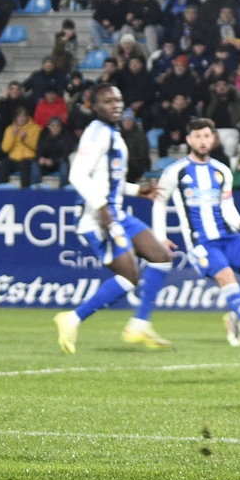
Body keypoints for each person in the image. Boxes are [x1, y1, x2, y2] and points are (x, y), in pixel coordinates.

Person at [54, 84, 177, 353]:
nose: (116, 105)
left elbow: (107, 179)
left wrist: (135, 189)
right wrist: (101, 208)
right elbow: (77, 175)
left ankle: (140, 323)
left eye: (118, 100)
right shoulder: (97, 134)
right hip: (97, 218)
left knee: (161, 257)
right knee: (129, 276)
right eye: (108, 101)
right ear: (95, 107)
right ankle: (72, 319)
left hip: (116, 212)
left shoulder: (112, 134)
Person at [151, 118, 240, 348]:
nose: (202, 141)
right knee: (227, 278)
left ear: (213, 139)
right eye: (197, 136)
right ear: (189, 140)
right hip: (201, 242)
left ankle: (234, 316)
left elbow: (227, 206)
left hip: (228, 236)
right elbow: (159, 203)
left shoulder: (221, 171)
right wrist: (160, 236)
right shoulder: (175, 171)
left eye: (206, 136)